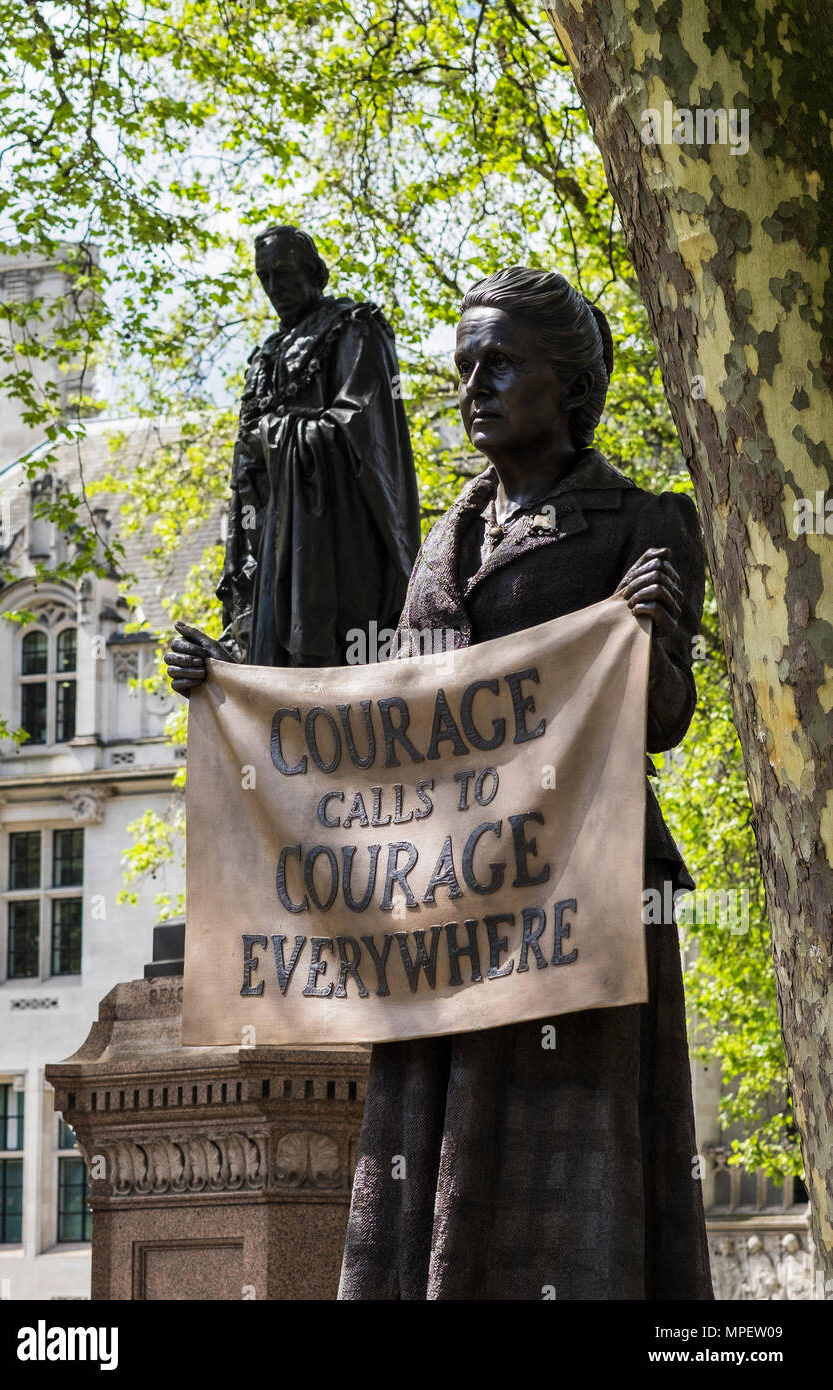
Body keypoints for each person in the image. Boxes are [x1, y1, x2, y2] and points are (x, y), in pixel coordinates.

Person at [336, 266, 714, 1301]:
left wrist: (643, 638)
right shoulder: (440, 540)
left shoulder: (640, 521)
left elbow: (666, 720)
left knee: (568, 1160)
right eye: (464, 368)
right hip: (448, 898)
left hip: (579, 896)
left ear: (571, 383)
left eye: (499, 364)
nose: (473, 388)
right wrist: (225, 686)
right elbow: (391, 715)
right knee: (434, 1144)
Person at [166, 224, 420, 689]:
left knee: (338, 677)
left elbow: (359, 434)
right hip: (272, 548)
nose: (274, 287)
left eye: (283, 272)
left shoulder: (355, 329)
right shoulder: (265, 356)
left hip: (338, 549)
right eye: (264, 277)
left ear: (314, 271)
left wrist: (272, 437)